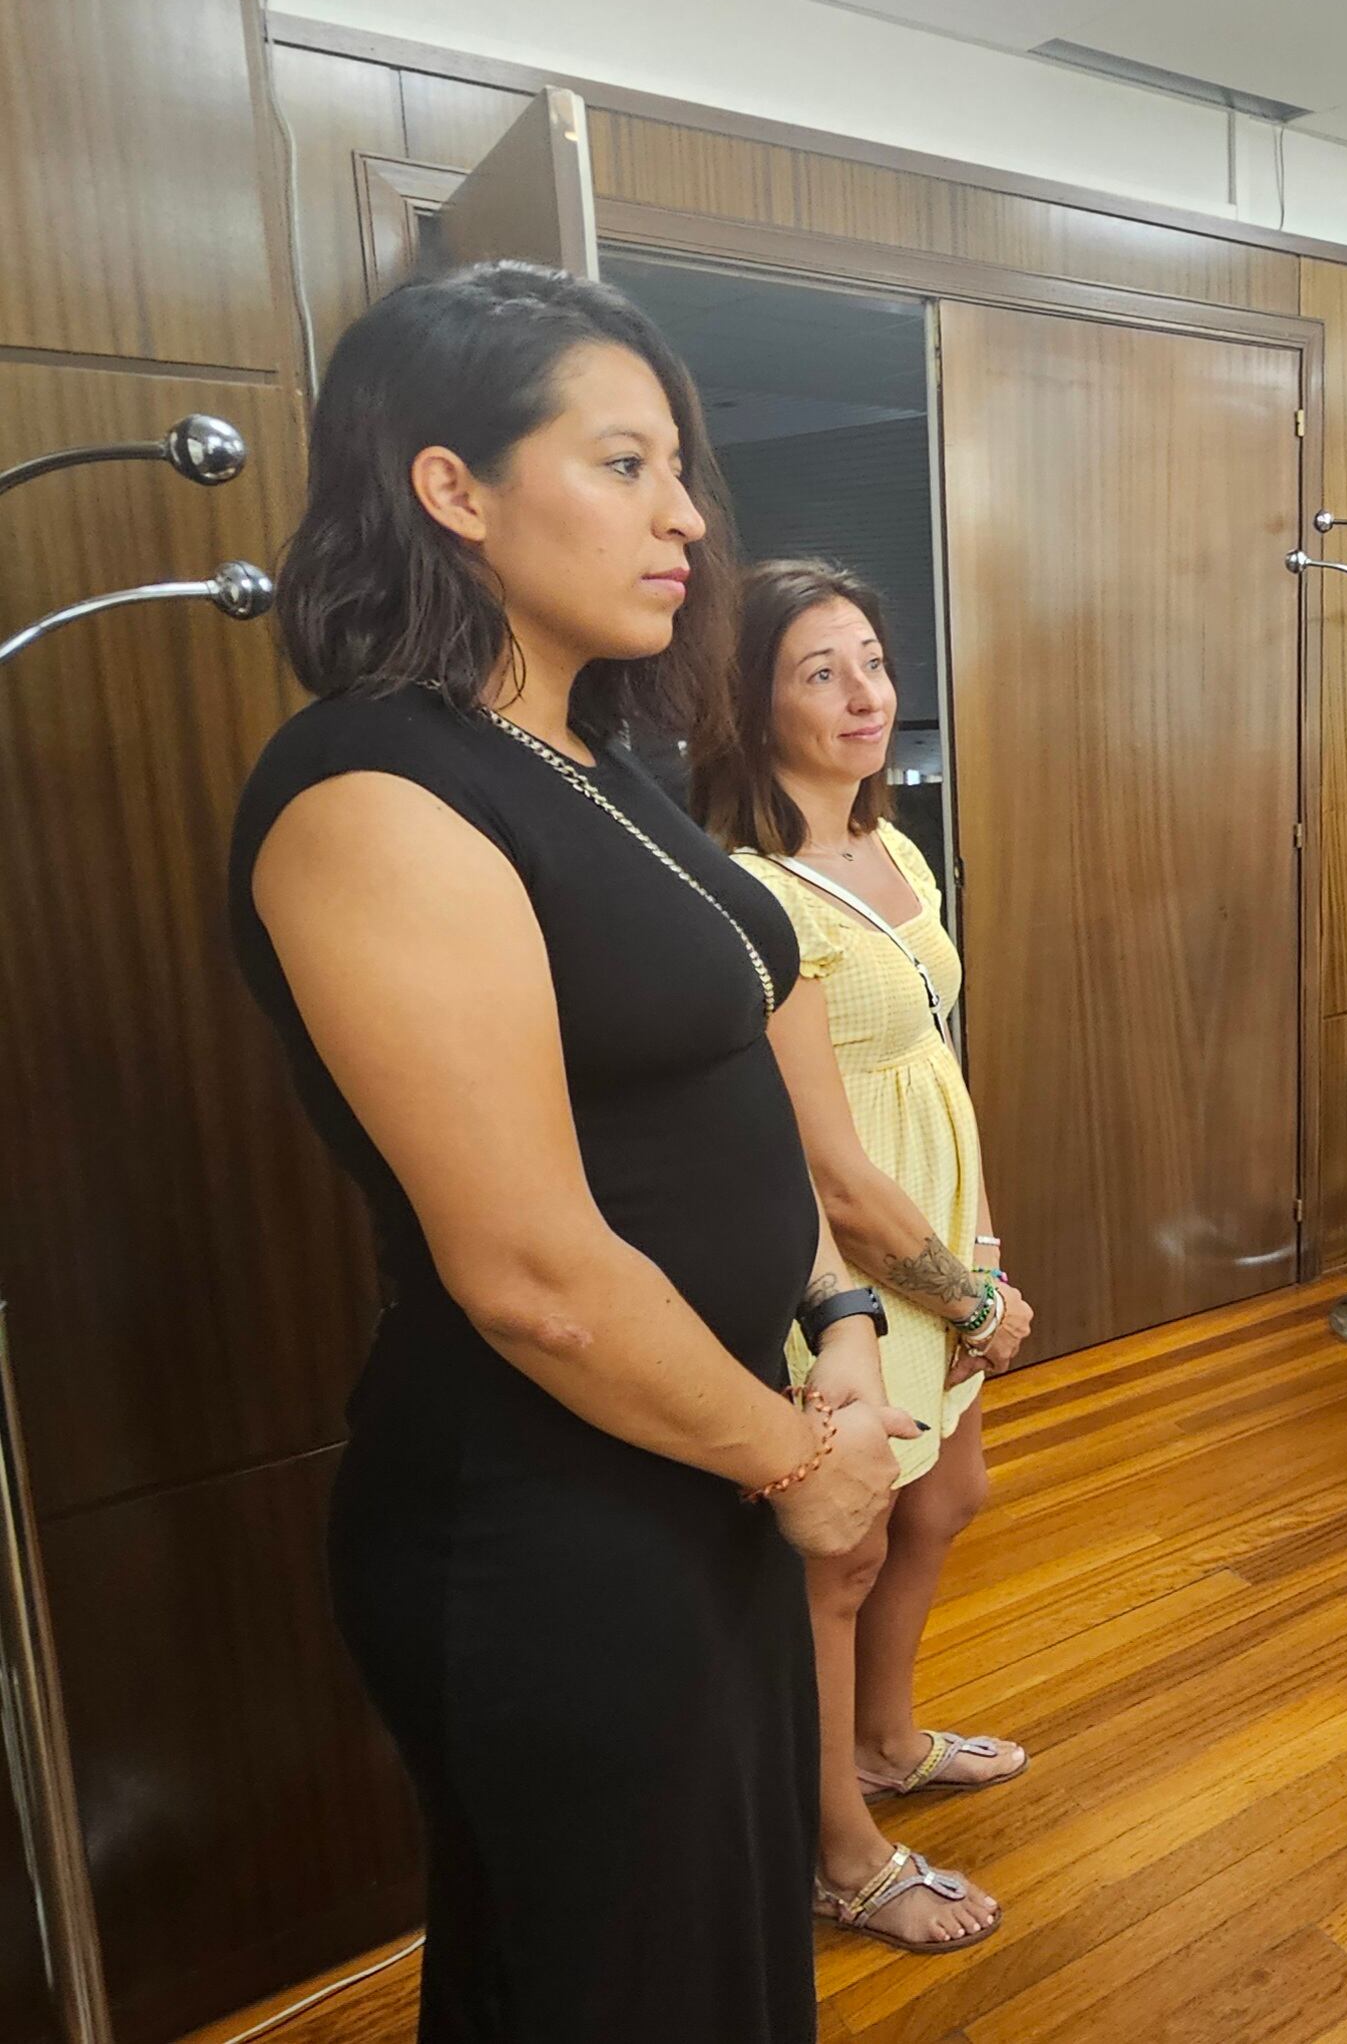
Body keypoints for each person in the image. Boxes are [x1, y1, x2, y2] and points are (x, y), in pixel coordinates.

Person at [228, 262, 916, 2040]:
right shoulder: (372, 791)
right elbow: (532, 1272)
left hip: (701, 1467)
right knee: (618, 1989)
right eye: (622, 464)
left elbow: (733, 1098)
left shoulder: (596, 757)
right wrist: (795, 1462)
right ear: (451, 488)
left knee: (712, 1963)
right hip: (549, 1524)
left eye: (679, 466)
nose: (686, 512)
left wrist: (837, 1308)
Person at [694, 559, 1036, 1954]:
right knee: (840, 1552)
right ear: (749, 702)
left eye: (872, 662)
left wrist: (985, 1245)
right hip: (839, 1261)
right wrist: (962, 1293)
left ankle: (888, 1741)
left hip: (939, 1228)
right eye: (817, 672)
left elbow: (935, 1067)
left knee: (947, 1492)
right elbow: (828, 1162)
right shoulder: (749, 887)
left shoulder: (888, 849)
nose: (861, 695)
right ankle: (838, 1841)